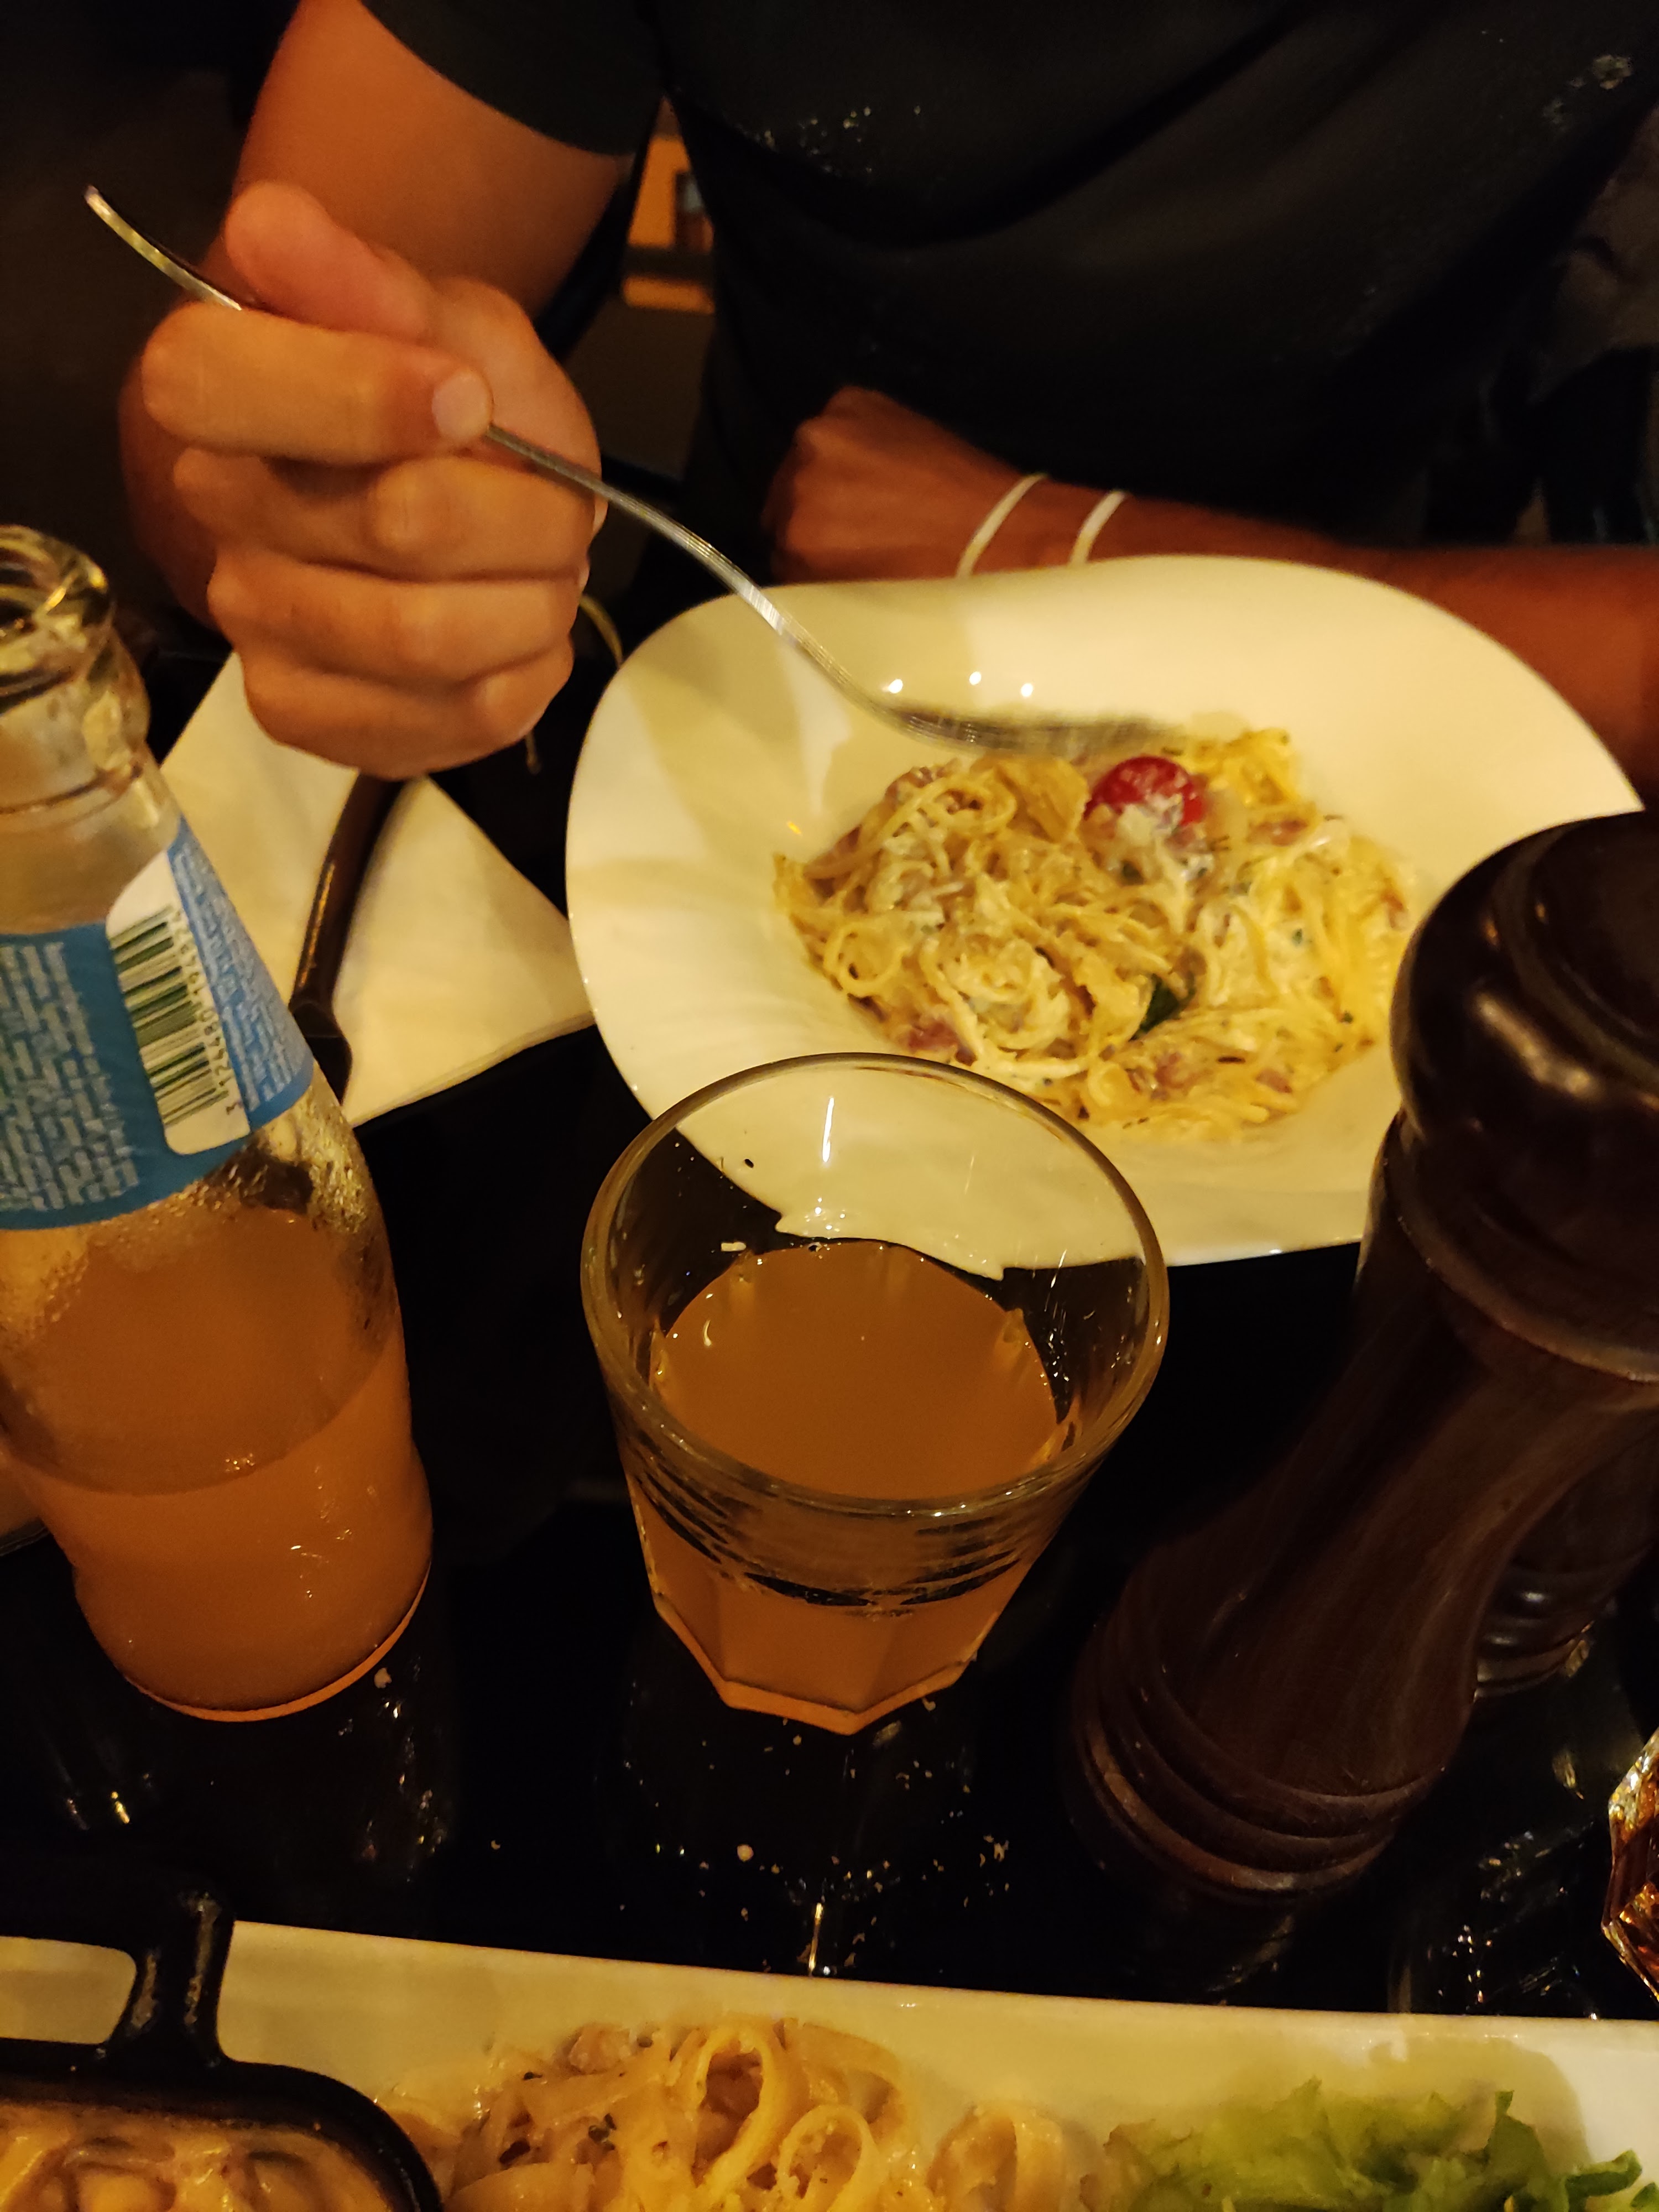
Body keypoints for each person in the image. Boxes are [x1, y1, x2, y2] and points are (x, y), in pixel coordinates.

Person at [121, 0, 1659, 792]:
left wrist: (1056, 543)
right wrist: (350, 524)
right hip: (762, 658)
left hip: (1395, 706)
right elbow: (231, 402)